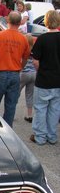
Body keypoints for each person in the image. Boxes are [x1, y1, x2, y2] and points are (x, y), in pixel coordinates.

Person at [0, 11, 30, 127]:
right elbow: (25, 57)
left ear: (8, 21)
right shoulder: (23, 39)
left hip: (0, 73)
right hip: (14, 74)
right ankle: (7, 129)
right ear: (20, 23)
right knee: (11, 105)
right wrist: (21, 68)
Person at [30, 10, 60, 145]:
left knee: (41, 108)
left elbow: (35, 61)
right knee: (55, 109)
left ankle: (40, 136)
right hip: (58, 80)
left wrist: (40, 69)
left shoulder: (42, 39)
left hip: (43, 79)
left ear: (46, 21)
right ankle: (52, 136)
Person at [19, 34, 36, 122]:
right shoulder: (35, 50)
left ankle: (11, 113)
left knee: (15, 94)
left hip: (23, 73)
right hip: (34, 74)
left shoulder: (23, 49)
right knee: (30, 95)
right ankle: (29, 116)